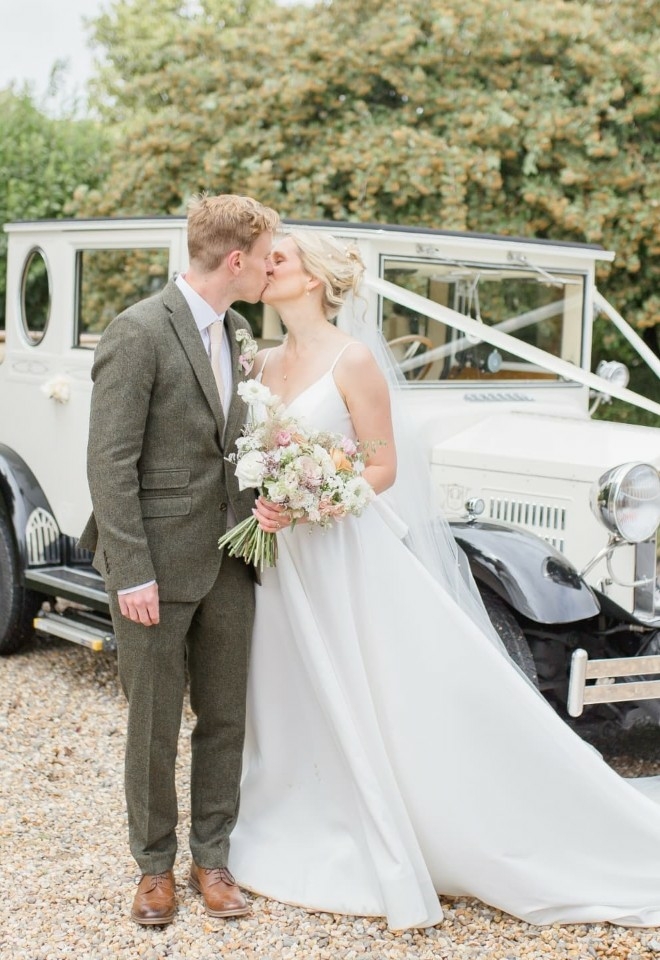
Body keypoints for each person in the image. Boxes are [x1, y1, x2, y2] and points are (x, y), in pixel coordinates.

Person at [226, 229, 660, 932]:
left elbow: (381, 467)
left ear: (313, 280)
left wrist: (314, 498)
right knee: (286, 685)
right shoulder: (259, 357)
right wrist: (270, 499)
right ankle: (290, 818)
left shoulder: (354, 359)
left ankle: (402, 824)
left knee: (370, 684)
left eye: (279, 259)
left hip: (338, 549)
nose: (264, 266)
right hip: (281, 557)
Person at [79, 194, 279, 926]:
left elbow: (240, 445)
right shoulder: (138, 331)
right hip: (154, 568)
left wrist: (270, 501)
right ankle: (154, 868)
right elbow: (109, 462)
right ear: (235, 260)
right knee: (154, 724)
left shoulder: (241, 332)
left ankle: (212, 858)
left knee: (225, 718)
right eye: (263, 259)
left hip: (232, 559)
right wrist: (131, 569)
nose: (267, 269)